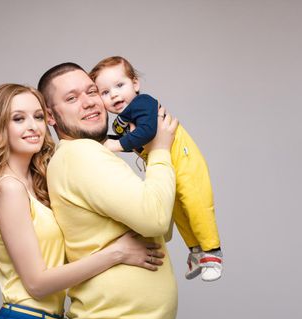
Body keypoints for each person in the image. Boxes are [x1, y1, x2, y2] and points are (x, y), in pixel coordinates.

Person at [0, 83, 166, 319]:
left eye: (38, 116)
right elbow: (36, 283)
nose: (33, 126)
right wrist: (117, 253)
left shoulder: (39, 182)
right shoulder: (8, 188)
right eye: (18, 119)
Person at [38, 64, 179, 319]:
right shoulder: (82, 154)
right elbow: (156, 219)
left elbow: (158, 230)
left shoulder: (82, 155)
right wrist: (160, 150)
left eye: (91, 91)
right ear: (51, 116)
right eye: (72, 98)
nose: (89, 101)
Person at [90, 56, 223, 282]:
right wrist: (106, 141)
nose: (113, 94)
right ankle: (196, 252)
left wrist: (115, 144)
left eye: (119, 85)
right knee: (178, 210)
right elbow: (133, 137)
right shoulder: (123, 119)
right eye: (104, 92)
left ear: (135, 84)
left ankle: (212, 252)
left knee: (195, 203)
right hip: (167, 165)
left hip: (184, 160)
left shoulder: (143, 104)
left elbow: (149, 132)